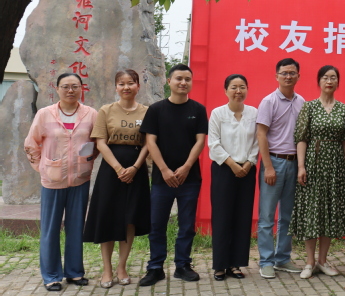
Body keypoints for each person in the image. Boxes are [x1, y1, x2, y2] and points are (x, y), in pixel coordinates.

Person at [24, 72, 97, 292]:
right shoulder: (45, 114)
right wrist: (43, 167)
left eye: (75, 86)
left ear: (82, 88)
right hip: (52, 181)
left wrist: (88, 161)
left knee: (76, 227)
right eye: (65, 86)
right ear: (57, 89)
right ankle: (51, 276)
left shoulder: (91, 114)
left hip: (80, 179)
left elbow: (97, 142)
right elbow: (31, 143)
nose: (70, 90)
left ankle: (74, 272)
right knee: (50, 229)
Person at [138, 64, 209, 286]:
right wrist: (164, 169)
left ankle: (183, 265)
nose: (183, 82)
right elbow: (150, 141)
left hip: (190, 178)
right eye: (179, 78)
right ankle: (155, 267)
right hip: (162, 179)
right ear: (169, 81)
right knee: (156, 225)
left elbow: (200, 141)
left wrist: (187, 166)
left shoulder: (198, 109)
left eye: (187, 79)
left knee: (186, 225)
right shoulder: (156, 110)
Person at [83, 70, 150, 288]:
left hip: (136, 171)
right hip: (111, 171)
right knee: (107, 217)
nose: (126, 87)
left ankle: (122, 266)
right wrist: (119, 168)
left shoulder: (147, 112)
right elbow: (101, 143)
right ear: (116, 87)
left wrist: (135, 167)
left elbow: (149, 143)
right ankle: (107, 270)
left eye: (131, 83)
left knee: (130, 218)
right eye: (121, 84)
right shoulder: (106, 110)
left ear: (138, 86)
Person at [290, 65, 345, 279]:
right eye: (325, 77)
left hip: (335, 165)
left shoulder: (344, 109)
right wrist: (301, 166)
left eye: (333, 77)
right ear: (318, 81)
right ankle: (309, 262)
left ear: (338, 82)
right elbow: (301, 138)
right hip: (313, 163)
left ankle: (323, 260)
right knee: (312, 210)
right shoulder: (309, 107)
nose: (329, 81)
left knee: (330, 211)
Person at [257, 58, 305, 278]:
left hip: (294, 163)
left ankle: (282, 259)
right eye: (284, 73)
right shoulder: (269, 102)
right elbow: (261, 134)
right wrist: (268, 167)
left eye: (292, 73)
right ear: (276, 76)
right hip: (274, 162)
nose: (288, 76)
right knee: (267, 217)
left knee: (288, 215)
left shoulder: (301, 102)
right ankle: (266, 261)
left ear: (298, 76)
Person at [208, 74, 258, 281]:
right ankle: (220, 265)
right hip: (224, 169)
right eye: (234, 87)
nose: (238, 91)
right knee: (222, 217)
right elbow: (214, 143)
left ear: (247, 89)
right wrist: (232, 164)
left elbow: (257, 141)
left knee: (242, 217)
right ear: (226, 90)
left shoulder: (254, 113)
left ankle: (236, 264)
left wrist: (248, 163)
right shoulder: (218, 113)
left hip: (247, 170)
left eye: (242, 87)